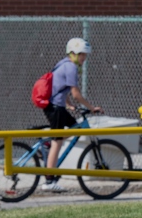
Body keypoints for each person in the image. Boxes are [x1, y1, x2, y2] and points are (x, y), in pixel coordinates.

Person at [41, 37, 103, 192]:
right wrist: (91, 107)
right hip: (55, 108)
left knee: (75, 128)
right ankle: (49, 182)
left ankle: (48, 143)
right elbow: (76, 93)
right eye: (83, 55)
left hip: (57, 106)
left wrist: (68, 104)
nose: (84, 58)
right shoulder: (71, 67)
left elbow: (61, 88)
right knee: (58, 142)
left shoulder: (62, 64)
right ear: (74, 53)